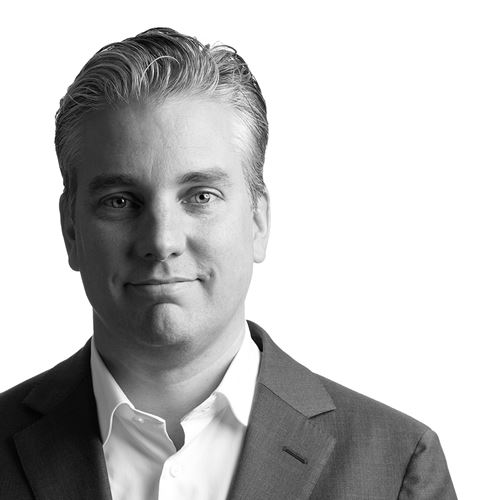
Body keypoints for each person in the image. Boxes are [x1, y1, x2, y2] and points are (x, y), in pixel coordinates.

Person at [0, 27, 457, 499]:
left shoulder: (396, 468)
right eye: (120, 201)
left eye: (200, 196)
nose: (162, 240)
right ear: (71, 230)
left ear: (258, 220)